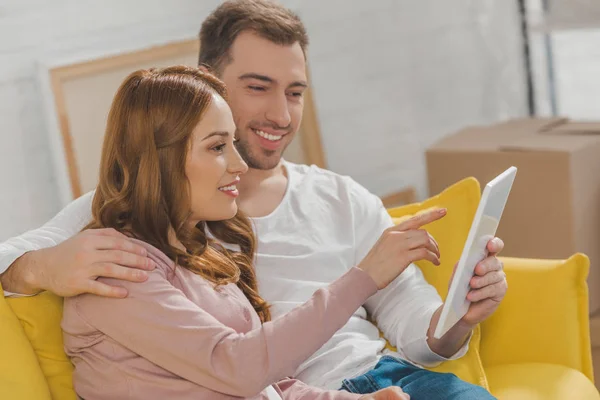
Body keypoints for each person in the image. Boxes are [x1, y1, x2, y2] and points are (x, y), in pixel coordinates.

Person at [0, 1, 506, 399]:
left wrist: (457, 316)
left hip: (375, 376)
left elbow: (411, 320)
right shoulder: (141, 212)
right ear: (205, 85)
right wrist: (40, 268)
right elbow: (10, 260)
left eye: (295, 92)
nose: (281, 115)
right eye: (259, 87)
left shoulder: (340, 198)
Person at [63, 65, 419, 400]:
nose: (239, 164)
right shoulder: (118, 272)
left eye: (233, 143)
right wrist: (363, 278)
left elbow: (269, 386)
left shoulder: (200, 257)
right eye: (218, 147)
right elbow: (238, 366)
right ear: (161, 159)